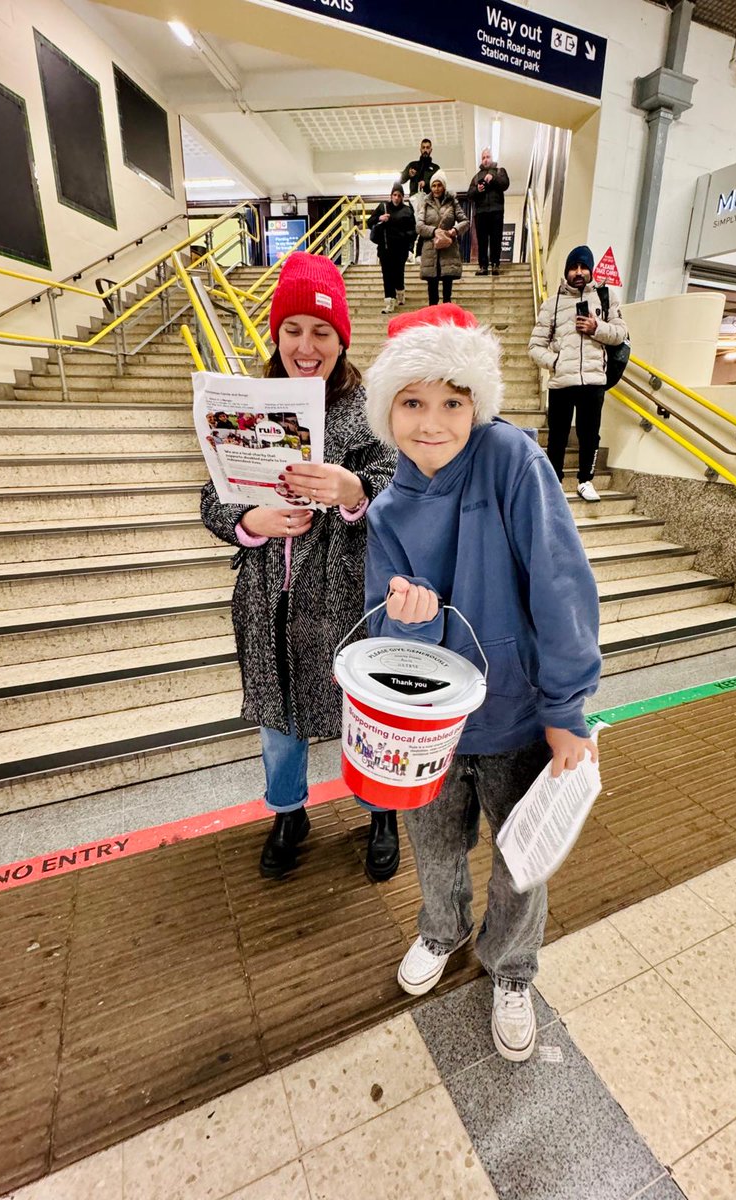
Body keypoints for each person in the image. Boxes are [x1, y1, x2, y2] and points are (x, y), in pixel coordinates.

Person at [363, 303, 601, 1061]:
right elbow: (379, 637)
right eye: (412, 402)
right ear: (388, 409)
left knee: (520, 859)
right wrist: (408, 625)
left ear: (477, 403)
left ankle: (511, 967)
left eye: (452, 402)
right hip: (426, 734)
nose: (431, 423)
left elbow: (560, 584)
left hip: (519, 719)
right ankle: (441, 931)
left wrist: (565, 707)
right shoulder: (389, 508)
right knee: (433, 850)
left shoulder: (511, 461)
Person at [200, 252, 399, 882]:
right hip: (267, 600)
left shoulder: (372, 410)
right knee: (277, 715)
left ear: (342, 340)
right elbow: (212, 498)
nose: (306, 346)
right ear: (275, 333)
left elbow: (399, 492)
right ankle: (288, 811)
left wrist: (351, 491)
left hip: (342, 599)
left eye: (322, 333)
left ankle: (380, 810)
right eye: (293, 330)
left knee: (361, 710)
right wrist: (249, 522)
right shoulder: (244, 404)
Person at [527, 245, 629, 502]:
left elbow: (620, 335)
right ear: (567, 271)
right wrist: (556, 361)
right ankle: (554, 481)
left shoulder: (606, 298)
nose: (579, 272)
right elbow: (534, 347)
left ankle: (586, 480)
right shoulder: (553, 304)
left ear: (591, 270)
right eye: (574, 267)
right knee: (558, 434)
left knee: (589, 433)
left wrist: (597, 328)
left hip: (594, 379)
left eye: (584, 267)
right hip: (562, 381)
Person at [416, 171, 469, 307]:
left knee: (447, 298)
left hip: (448, 251)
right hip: (430, 251)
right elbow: (419, 226)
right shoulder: (425, 204)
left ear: (444, 187)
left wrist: (455, 230)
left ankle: (446, 323)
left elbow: (465, 222)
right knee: (432, 299)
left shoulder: (453, 202)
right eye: (434, 185)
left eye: (439, 185)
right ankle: (433, 324)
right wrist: (434, 231)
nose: (436, 188)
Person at [368, 183, 416, 314]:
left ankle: (400, 291)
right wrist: (379, 218)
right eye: (394, 195)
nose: (396, 198)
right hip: (385, 248)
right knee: (387, 275)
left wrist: (407, 242)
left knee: (398, 273)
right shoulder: (383, 207)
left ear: (402, 197)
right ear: (391, 196)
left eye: (399, 195)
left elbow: (414, 230)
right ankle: (389, 301)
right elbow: (369, 222)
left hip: (401, 249)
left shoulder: (407, 210)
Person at [467, 148, 509, 276]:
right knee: (482, 240)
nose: (486, 160)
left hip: (497, 210)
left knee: (496, 238)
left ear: (492, 158)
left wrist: (493, 178)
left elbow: (505, 184)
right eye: (483, 157)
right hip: (481, 213)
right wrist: (478, 190)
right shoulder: (476, 177)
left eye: (488, 157)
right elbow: (469, 194)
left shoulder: (500, 171)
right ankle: (483, 266)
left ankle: (495, 264)